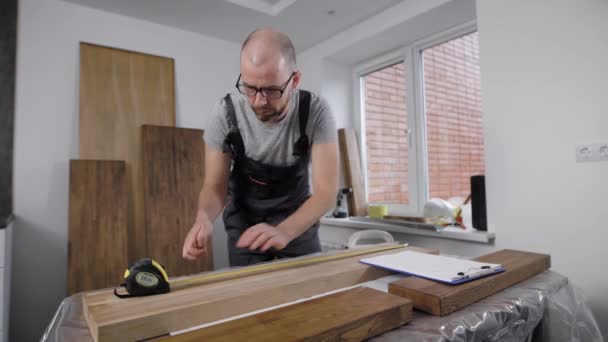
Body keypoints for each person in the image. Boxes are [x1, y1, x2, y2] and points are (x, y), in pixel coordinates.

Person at [182, 28, 338, 266]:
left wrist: (285, 231)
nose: (259, 101)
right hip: (246, 233)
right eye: (250, 88)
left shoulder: (315, 112)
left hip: (297, 228)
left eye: (271, 90)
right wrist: (203, 218)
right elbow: (214, 186)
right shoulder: (224, 114)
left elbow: (326, 193)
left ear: (295, 80)